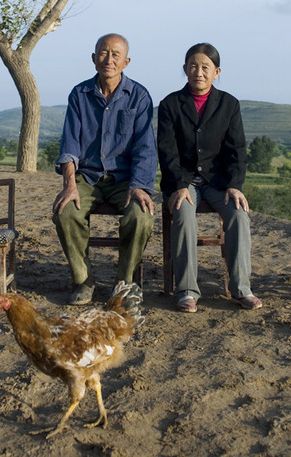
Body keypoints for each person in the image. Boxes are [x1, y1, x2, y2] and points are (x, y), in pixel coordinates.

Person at [53, 33, 157, 305]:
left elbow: (145, 148)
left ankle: (124, 283)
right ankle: (83, 280)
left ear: (126, 62)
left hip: (126, 179)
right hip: (87, 177)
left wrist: (138, 186)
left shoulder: (139, 96)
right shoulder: (79, 94)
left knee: (141, 216)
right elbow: (69, 146)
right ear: (93, 57)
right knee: (65, 212)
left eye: (115, 55)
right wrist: (70, 185)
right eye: (103, 52)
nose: (108, 59)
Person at [157, 43, 262, 312]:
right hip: (183, 181)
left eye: (205, 67)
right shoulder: (170, 104)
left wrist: (235, 186)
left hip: (219, 182)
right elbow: (167, 151)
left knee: (239, 214)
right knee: (183, 212)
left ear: (217, 72)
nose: (199, 72)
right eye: (193, 66)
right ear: (184, 69)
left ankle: (241, 289)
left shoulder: (229, 104)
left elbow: (237, 150)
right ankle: (187, 291)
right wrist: (179, 186)